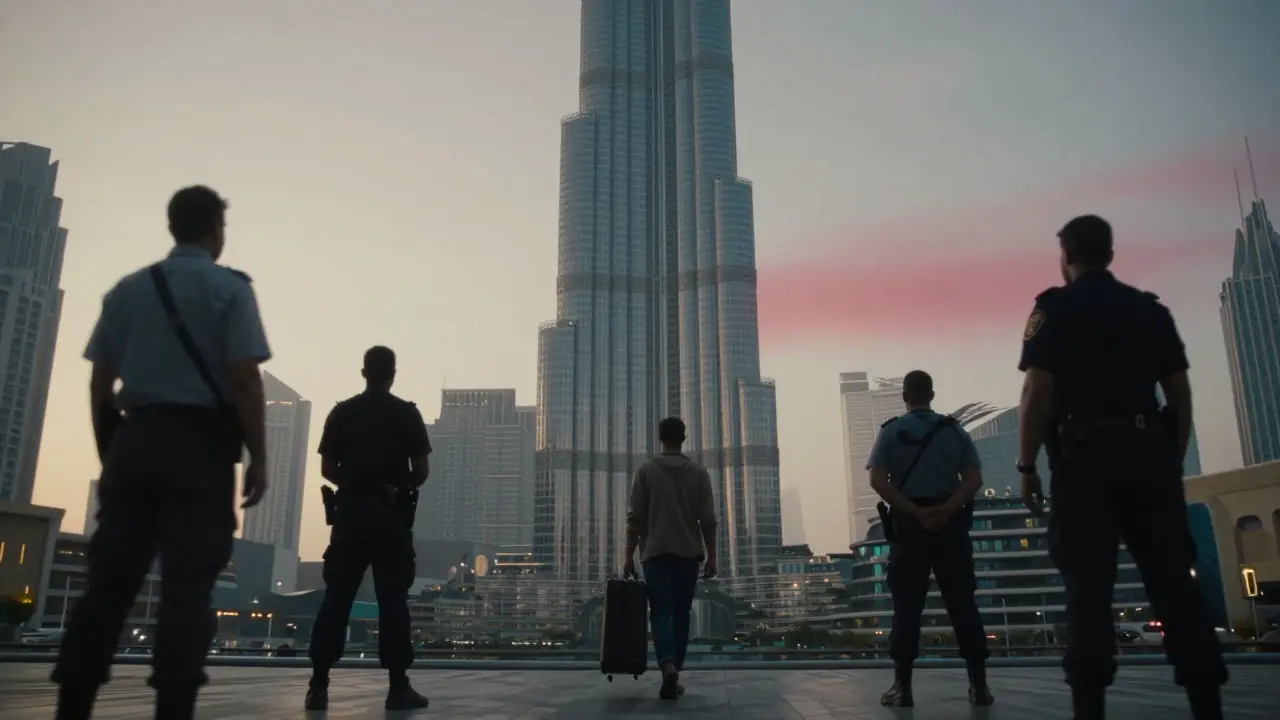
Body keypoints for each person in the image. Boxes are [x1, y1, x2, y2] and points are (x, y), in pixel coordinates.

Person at [52, 185, 272, 720]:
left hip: (136, 440)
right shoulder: (230, 291)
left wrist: (115, 453)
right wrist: (258, 456)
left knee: (107, 586)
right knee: (189, 588)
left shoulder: (128, 290)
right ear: (214, 231)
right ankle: (173, 707)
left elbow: (100, 384)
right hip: (201, 451)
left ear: (172, 227)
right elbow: (244, 378)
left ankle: (72, 706)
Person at [1016, 215, 1227, 719]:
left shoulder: (1053, 308)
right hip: (1148, 456)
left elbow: (1035, 395)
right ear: (1110, 253)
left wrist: (1027, 467)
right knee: (1176, 584)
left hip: (1084, 462)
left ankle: (1090, 706)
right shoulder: (1149, 310)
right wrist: (1168, 461)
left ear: (1065, 255)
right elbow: (1179, 395)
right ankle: (1207, 703)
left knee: (1087, 592)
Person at [305, 346, 431, 711]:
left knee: (336, 599)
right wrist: (395, 485)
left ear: (364, 372)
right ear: (393, 374)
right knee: (393, 603)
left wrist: (355, 484)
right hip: (391, 521)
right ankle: (397, 687)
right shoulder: (407, 415)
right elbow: (421, 472)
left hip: (349, 520)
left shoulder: (342, 413)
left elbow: (328, 468)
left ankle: (318, 686)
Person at [866, 370, 992, 708]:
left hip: (909, 527)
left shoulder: (892, 431)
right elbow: (974, 478)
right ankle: (979, 686)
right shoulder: (954, 431)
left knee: (907, 607)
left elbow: (878, 480)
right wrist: (949, 508)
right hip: (950, 528)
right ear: (932, 395)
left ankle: (902, 688)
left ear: (905, 395)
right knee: (963, 605)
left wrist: (913, 511)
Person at [623, 417, 718, 701]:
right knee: (681, 614)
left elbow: (634, 520)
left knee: (660, 613)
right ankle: (675, 667)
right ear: (684, 438)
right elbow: (709, 520)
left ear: (660, 438)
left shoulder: (645, 471)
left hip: (655, 554)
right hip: (688, 555)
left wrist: (628, 557)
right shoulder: (699, 473)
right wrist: (712, 557)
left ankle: (666, 666)